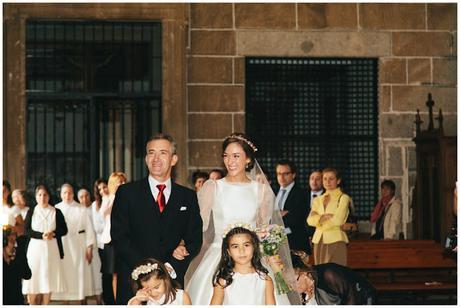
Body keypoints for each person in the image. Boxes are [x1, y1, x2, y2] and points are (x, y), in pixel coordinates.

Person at [185, 133, 300, 305]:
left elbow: (263, 229)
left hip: (252, 258)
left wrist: (272, 258)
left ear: (248, 159)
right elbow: (196, 226)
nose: (230, 161)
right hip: (219, 257)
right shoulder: (213, 187)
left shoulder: (261, 191)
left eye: (236, 156)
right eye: (226, 156)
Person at [111, 133, 203, 305]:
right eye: (151, 153)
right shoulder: (126, 193)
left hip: (170, 284)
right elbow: (119, 236)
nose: (156, 158)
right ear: (146, 159)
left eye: (163, 153)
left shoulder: (187, 197)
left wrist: (170, 267)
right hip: (133, 281)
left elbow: (195, 239)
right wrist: (146, 271)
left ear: (174, 159)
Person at [22, 184, 68, 305]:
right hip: (35, 249)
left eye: (45, 195)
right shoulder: (31, 211)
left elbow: (64, 229)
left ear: (49, 196)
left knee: (48, 278)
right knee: (33, 278)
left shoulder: (56, 211)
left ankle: (46, 305)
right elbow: (26, 230)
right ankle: (31, 304)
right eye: (40, 195)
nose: (42, 198)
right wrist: (41, 235)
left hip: (51, 249)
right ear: (36, 197)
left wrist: (53, 234)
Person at [210, 225, 275, 305]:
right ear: (228, 252)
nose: (241, 251)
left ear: (254, 247)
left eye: (246, 245)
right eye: (235, 246)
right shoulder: (223, 281)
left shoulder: (265, 280)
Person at [53, 184, 96, 304]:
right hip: (62, 245)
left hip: (78, 245)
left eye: (70, 193)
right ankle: (65, 301)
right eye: (64, 193)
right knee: (64, 273)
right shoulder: (56, 208)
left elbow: (89, 228)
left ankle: (79, 300)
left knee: (79, 273)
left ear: (73, 194)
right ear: (61, 194)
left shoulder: (81, 208)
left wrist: (89, 248)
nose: (67, 195)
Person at [291, 251, 376, 305]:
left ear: (304, 273)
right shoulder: (302, 291)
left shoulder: (329, 275)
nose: (293, 287)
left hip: (362, 299)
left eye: (294, 281)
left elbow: (352, 298)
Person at [307, 168, 350, 266]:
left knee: (336, 273)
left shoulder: (343, 198)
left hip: (335, 240)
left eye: (331, 178)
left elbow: (338, 220)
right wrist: (324, 217)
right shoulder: (317, 199)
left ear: (338, 180)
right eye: (325, 179)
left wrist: (319, 221)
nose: (328, 182)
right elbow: (309, 220)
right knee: (320, 273)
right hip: (318, 240)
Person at [101, 172, 127, 303]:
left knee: (126, 272)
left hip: (125, 240)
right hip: (111, 241)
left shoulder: (129, 198)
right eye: (119, 182)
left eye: (123, 181)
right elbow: (103, 214)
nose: (122, 184)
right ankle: (116, 302)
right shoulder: (108, 198)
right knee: (114, 274)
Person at [275, 160, 311, 255]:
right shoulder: (271, 191)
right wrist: (282, 214)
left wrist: (276, 216)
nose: (281, 177)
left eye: (285, 174)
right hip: (274, 243)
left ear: (293, 175)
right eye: (279, 174)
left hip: (295, 242)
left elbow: (298, 218)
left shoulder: (303, 193)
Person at [128, 258, 192, 305]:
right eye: (148, 290)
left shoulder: (181, 296)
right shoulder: (146, 302)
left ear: (165, 279)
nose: (153, 293)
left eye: (156, 287)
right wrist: (137, 299)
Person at [78, 188, 103, 305]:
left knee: (97, 273)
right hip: (81, 245)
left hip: (96, 245)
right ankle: (83, 300)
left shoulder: (94, 207)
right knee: (83, 273)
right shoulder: (77, 210)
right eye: (81, 197)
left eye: (86, 196)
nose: (84, 199)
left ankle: (99, 300)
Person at [91, 178, 114, 304]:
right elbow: (97, 227)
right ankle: (107, 300)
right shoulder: (95, 205)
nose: (102, 190)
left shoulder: (112, 198)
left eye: (104, 187)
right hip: (102, 242)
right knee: (106, 273)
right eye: (99, 189)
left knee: (112, 272)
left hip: (112, 241)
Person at [3, 224, 31, 304]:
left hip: (17, 299)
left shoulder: (19, 254)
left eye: (14, 236)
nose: (13, 239)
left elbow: (27, 275)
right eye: (10, 237)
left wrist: (18, 258)